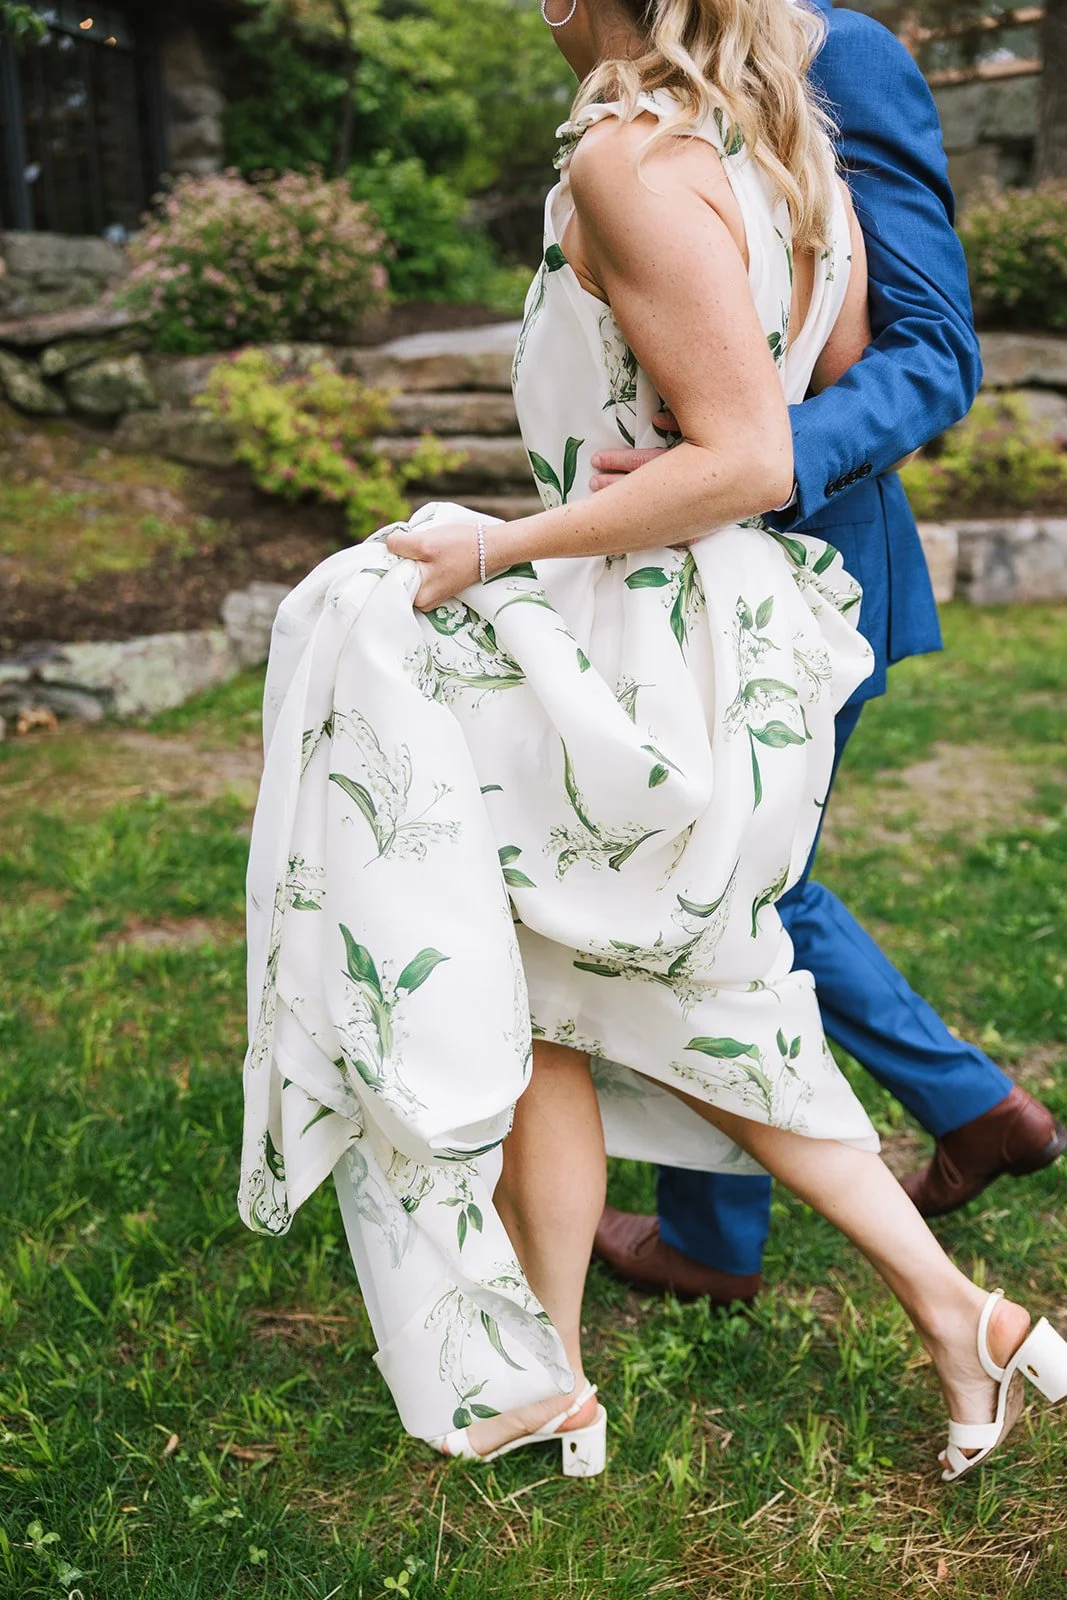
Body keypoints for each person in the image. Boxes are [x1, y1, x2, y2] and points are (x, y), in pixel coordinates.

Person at [238, 0, 1067, 1484]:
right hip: (725, 630)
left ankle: (941, 1317)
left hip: (642, 634)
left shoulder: (632, 159)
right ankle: (561, 1367)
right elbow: (823, 369)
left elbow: (746, 452)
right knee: (583, 979)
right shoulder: (778, 151)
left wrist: (500, 550)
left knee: (668, 984)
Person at [588, 0, 1067, 1308]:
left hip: (806, 561)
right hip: (655, 562)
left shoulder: (839, 53)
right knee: (730, 874)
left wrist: (753, 467)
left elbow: (933, 349)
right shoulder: (622, 69)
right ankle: (961, 1116)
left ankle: (716, 1231)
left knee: (720, 880)